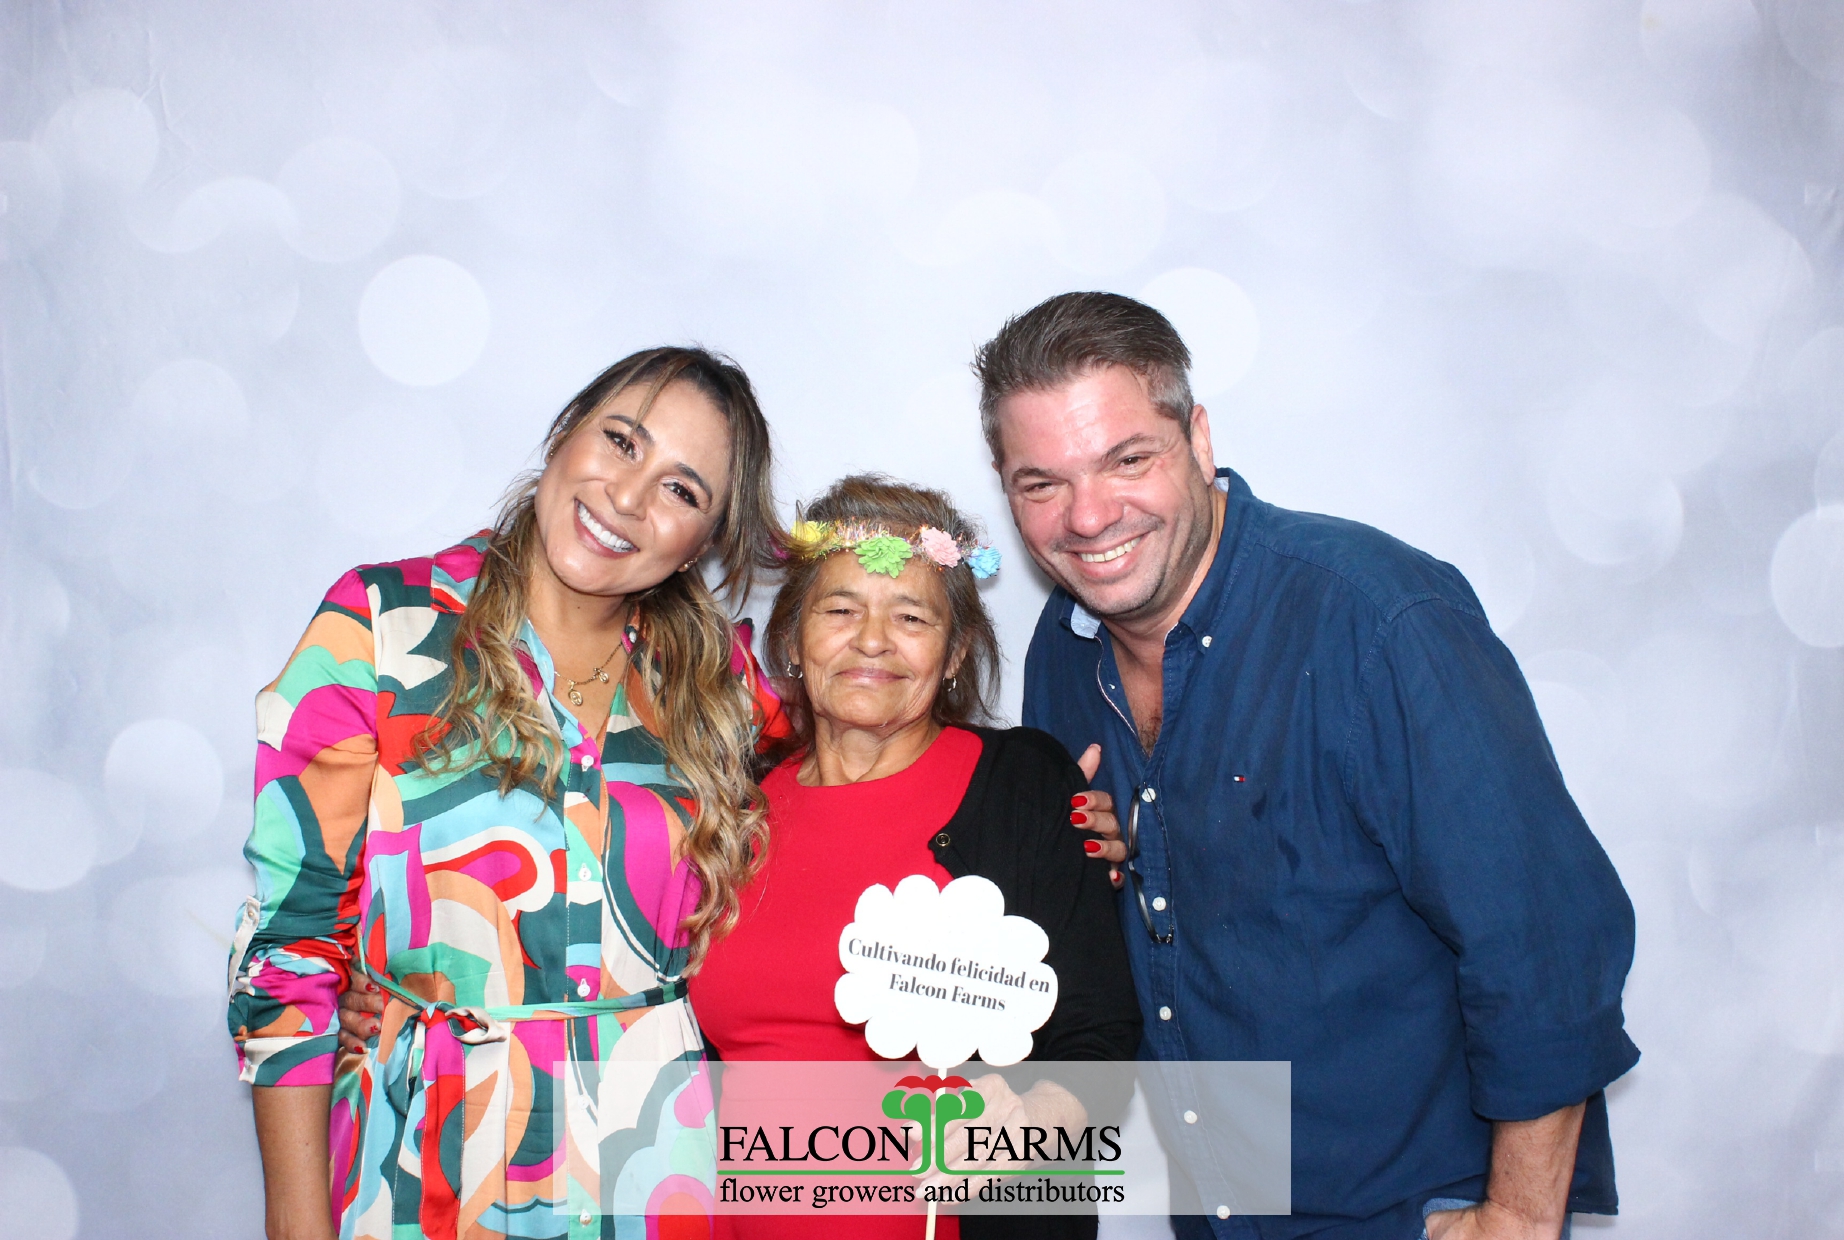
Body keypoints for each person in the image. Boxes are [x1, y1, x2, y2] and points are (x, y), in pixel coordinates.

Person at [975, 292, 1640, 1240]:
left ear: (1198, 439)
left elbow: (1544, 938)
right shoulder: (1062, 650)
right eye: (1041, 483)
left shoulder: (1377, 617)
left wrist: (1521, 1219)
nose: (1088, 516)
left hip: (1414, 1211)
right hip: (1220, 1208)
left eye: (1127, 460)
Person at [228, 346, 790, 1240]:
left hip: (656, 1177)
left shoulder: (719, 684)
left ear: (706, 543)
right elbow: (289, 945)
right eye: (621, 441)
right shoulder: (382, 625)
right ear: (564, 433)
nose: (627, 496)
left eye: (682, 490)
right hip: (425, 1168)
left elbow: (846, 798)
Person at [689, 474, 1142, 1240]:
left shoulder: (1023, 787)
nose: (872, 640)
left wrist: (1034, 1123)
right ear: (793, 640)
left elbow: (1099, 1033)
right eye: (840, 610)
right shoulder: (728, 809)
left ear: (955, 649)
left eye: (911, 616)